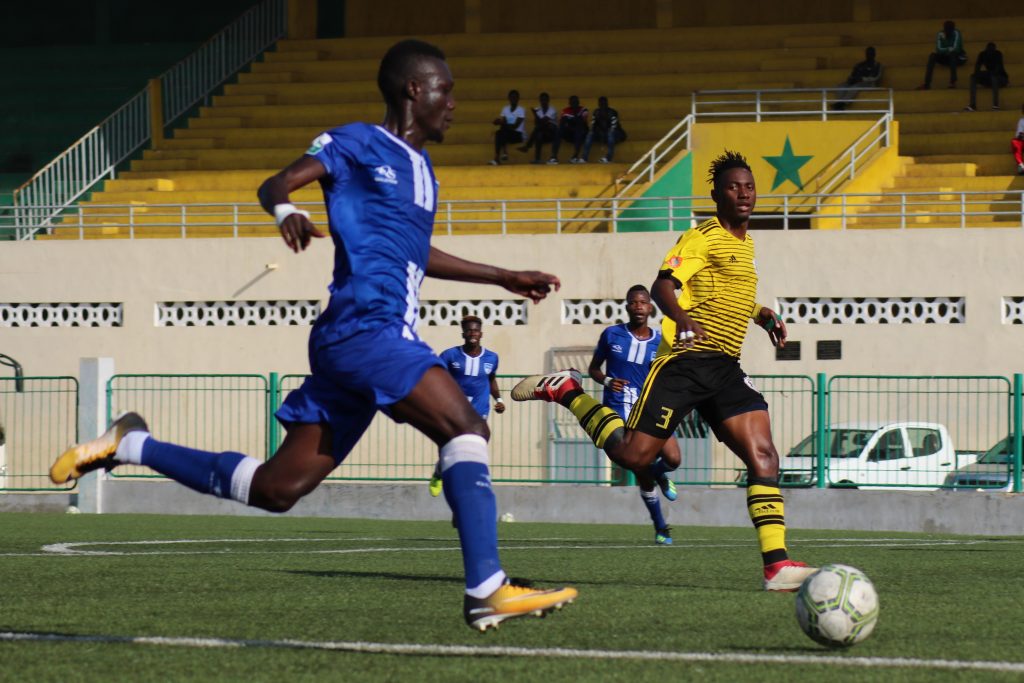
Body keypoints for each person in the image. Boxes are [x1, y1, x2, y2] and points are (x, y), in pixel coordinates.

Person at [48, 39, 576, 632]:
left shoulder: (424, 172)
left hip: (360, 342)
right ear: (413, 90)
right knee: (466, 426)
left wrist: (503, 276)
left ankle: (129, 445)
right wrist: (285, 213)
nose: (453, 103)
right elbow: (275, 184)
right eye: (444, 90)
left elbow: (412, 252)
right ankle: (486, 588)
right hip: (365, 331)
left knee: (278, 488)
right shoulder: (356, 141)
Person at [512, 150, 817, 591]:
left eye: (749, 186)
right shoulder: (702, 237)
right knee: (634, 456)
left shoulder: (745, 245)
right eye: (734, 186)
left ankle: (776, 566)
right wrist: (684, 319)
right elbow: (663, 285)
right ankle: (568, 391)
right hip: (685, 364)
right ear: (716, 194)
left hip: (726, 367)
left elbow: (724, 294)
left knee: (764, 455)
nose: (744, 193)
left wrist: (761, 314)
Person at [588, 284, 681, 545]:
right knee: (639, 467)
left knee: (673, 458)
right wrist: (606, 381)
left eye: (643, 302)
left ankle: (660, 473)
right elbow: (594, 369)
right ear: (627, 306)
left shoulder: (661, 340)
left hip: (649, 408)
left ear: (651, 308)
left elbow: (666, 376)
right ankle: (661, 527)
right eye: (633, 302)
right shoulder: (612, 335)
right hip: (618, 409)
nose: (638, 306)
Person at [428, 315, 504, 496]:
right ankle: (440, 471)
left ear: (481, 333)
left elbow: (491, 379)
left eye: (476, 330)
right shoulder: (449, 356)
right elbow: (439, 379)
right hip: (455, 409)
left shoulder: (492, 357)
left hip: (479, 412)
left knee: (480, 442)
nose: (472, 333)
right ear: (463, 333)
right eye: (469, 330)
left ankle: (473, 485)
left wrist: (499, 400)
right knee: (449, 445)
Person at [918, 20, 966, 90]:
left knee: (952, 54)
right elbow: (938, 49)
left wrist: (945, 50)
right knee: (932, 56)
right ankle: (927, 84)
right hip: (946, 57)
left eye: (950, 30)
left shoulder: (957, 33)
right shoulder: (940, 34)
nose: (948, 31)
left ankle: (953, 82)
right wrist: (948, 49)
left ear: (953, 29)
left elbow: (956, 49)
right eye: (946, 29)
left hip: (958, 58)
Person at [832, 47, 883, 111]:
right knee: (840, 86)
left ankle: (843, 103)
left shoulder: (877, 65)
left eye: (871, 53)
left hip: (868, 83)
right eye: (868, 53)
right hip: (856, 81)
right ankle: (839, 103)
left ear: (874, 54)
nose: (869, 54)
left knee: (855, 86)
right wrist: (851, 79)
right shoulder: (860, 64)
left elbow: (876, 77)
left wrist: (862, 79)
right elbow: (852, 74)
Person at [965, 42, 1009, 111]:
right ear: (986, 50)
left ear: (995, 50)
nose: (990, 52)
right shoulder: (982, 54)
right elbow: (976, 69)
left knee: (994, 77)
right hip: (990, 78)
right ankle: (972, 105)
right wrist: (978, 74)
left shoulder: (998, 54)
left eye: (992, 50)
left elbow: (997, 70)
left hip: (1001, 78)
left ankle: (995, 105)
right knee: (973, 77)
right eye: (989, 50)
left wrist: (984, 73)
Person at [581, 96, 626, 163]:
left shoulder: (612, 112)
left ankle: (608, 158)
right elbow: (593, 126)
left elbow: (614, 127)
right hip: (601, 133)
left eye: (604, 103)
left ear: (607, 104)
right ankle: (584, 158)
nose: (603, 105)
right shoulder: (596, 112)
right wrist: (597, 132)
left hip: (615, 134)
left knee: (610, 133)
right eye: (601, 104)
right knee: (590, 134)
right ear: (598, 104)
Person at [518, 92, 558, 164]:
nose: (543, 102)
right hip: (543, 132)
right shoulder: (538, 109)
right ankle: (537, 159)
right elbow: (537, 123)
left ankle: (528, 146)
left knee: (542, 126)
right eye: (542, 100)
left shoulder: (552, 110)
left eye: (545, 100)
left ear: (548, 100)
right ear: (540, 100)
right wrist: (536, 115)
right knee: (538, 134)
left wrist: (535, 114)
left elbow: (544, 121)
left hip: (552, 132)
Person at [549, 95, 589, 164]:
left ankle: (575, 157)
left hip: (581, 133)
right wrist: (572, 121)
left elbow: (581, 122)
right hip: (570, 132)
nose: (574, 104)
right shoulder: (565, 110)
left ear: (578, 102)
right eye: (572, 102)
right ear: (569, 103)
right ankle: (553, 157)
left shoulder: (583, 110)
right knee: (558, 131)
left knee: (579, 130)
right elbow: (562, 123)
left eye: (576, 102)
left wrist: (572, 116)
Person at [490, 89, 525, 165]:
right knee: (499, 133)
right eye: (512, 97)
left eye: (515, 97)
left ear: (518, 99)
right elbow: (504, 123)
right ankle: (498, 157)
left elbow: (515, 126)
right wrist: (498, 122)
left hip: (517, 135)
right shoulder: (505, 109)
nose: (513, 99)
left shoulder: (521, 110)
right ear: (509, 98)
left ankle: (502, 154)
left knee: (502, 131)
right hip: (507, 133)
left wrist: (501, 122)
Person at [1013, 104, 1024, 175]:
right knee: (1015, 142)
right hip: (1023, 141)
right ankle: (1021, 165)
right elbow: (1019, 135)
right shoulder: (1022, 121)